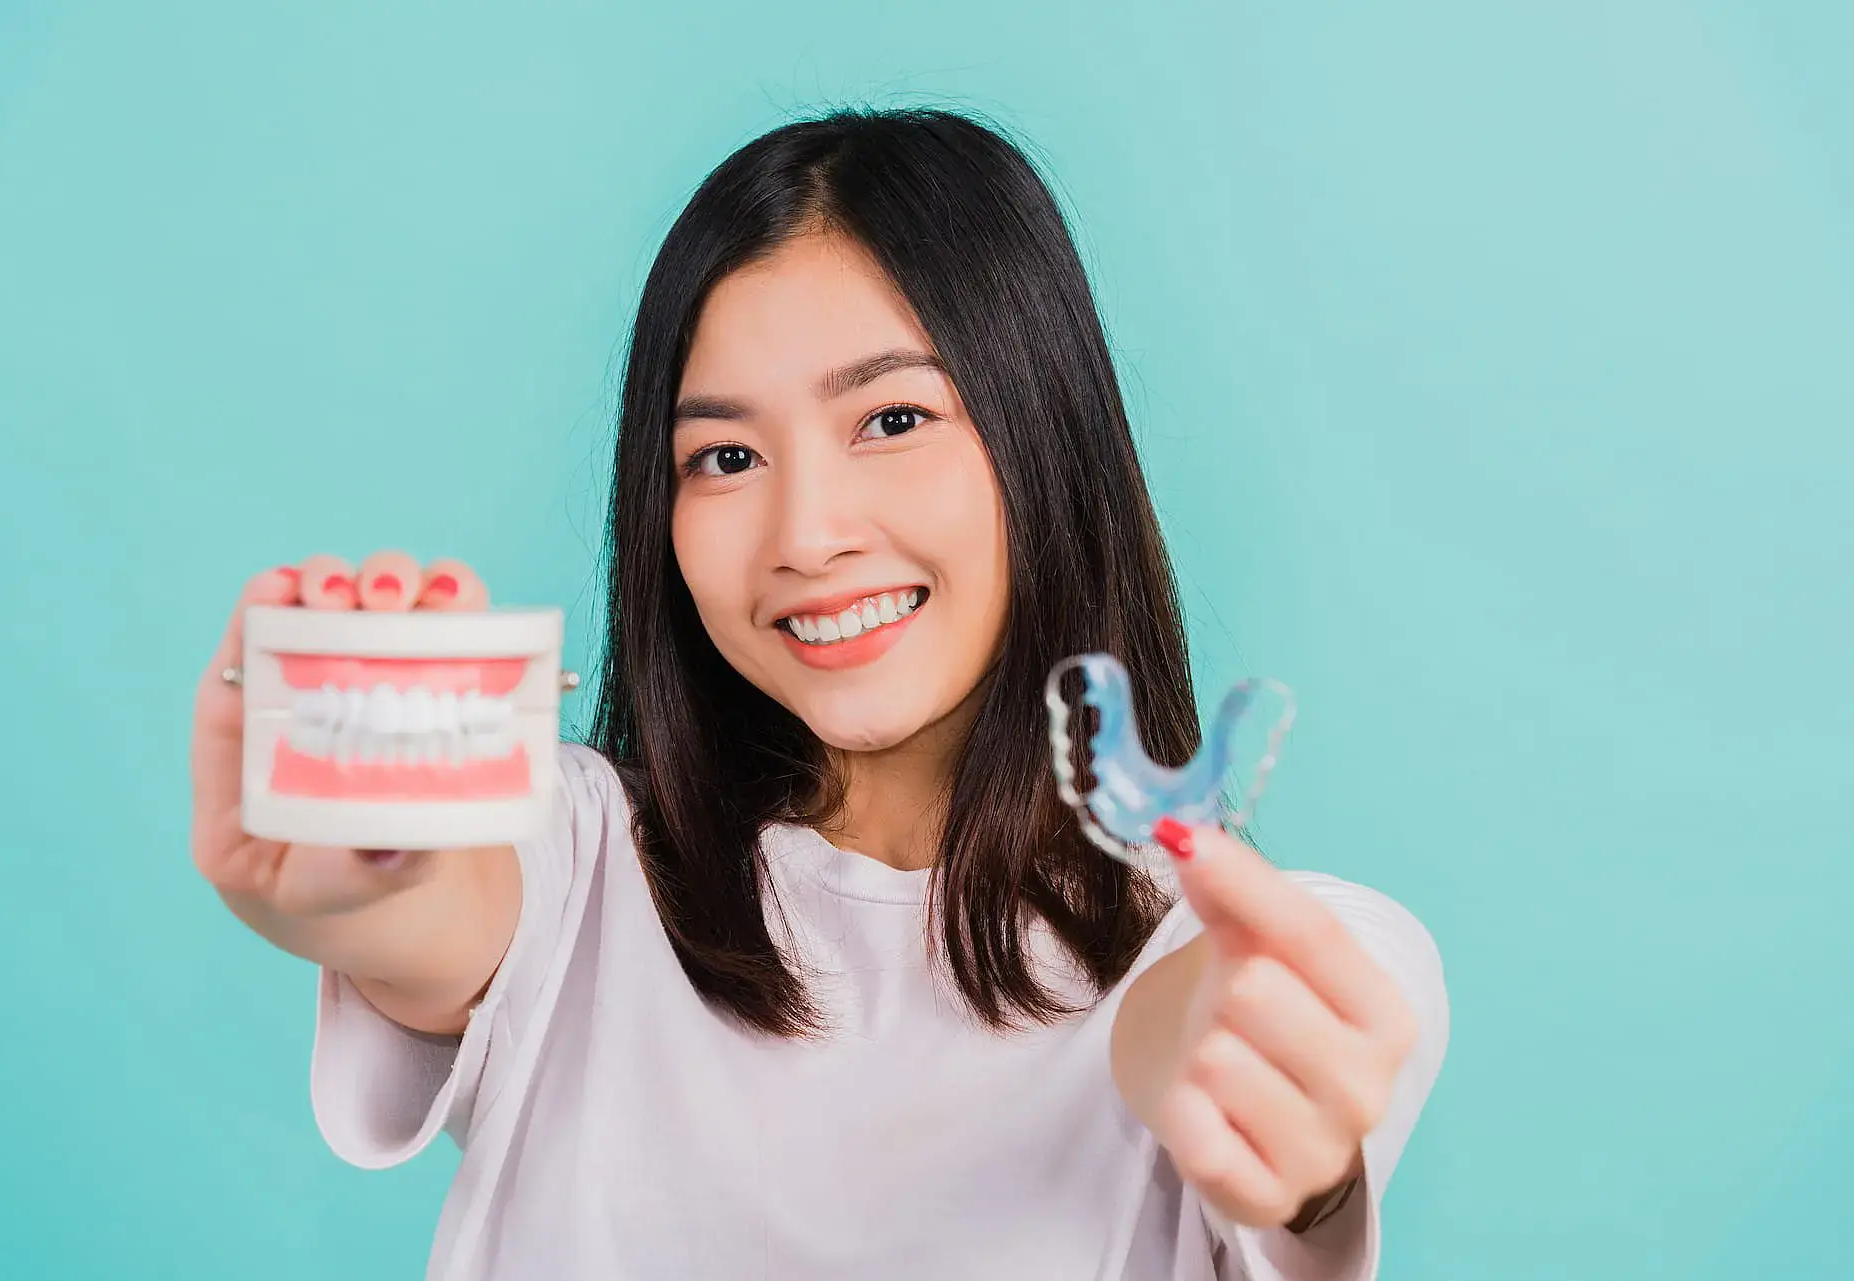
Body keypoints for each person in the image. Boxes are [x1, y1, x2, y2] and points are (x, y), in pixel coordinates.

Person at [191, 107, 1448, 1280]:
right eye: (726, 456)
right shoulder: (580, 866)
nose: (807, 534)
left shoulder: (1272, 954)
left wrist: (1285, 1138)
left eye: (892, 419)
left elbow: (1244, 1041)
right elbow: (436, 902)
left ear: (1041, 434)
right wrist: (373, 862)